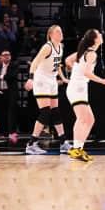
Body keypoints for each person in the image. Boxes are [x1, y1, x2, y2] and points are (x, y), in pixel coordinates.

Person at [65, 29, 105, 161]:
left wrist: (74, 69)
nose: (101, 35)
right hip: (77, 88)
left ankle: (78, 148)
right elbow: (87, 73)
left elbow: (68, 60)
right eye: (99, 34)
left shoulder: (84, 52)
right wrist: (103, 81)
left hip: (79, 88)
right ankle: (76, 149)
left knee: (89, 120)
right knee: (82, 119)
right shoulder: (91, 53)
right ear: (95, 39)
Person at [24, 25, 72, 155]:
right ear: (50, 34)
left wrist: (63, 78)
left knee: (55, 112)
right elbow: (34, 63)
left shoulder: (60, 47)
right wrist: (31, 79)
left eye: (61, 31)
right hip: (41, 79)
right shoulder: (47, 47)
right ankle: (31, 144)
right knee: (45, 113)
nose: (60, 33)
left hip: (51, 80)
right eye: (57, 31)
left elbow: (58, 65)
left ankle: (63, 143)